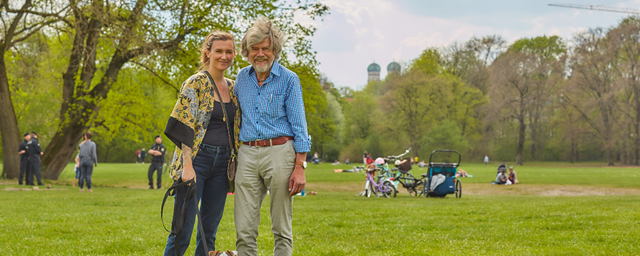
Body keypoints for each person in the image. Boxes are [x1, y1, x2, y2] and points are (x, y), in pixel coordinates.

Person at [234, 17, 310, 256]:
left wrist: (300, 166)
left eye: (265, 48)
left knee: (281, 226)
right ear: (247, 52)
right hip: (247, 153)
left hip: (280, 152)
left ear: (274, 50)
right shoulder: (241, 78)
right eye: (254, 49)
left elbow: (300, 126)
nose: (260, 53)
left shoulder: (289, 79)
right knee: (244, 229)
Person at [163, 30, 240, 256]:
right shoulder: (195, 83)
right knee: (182, 230)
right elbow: (184, 125)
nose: (224, 56)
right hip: (197, 160)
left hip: (224, 164)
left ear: (234, 54)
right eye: (219, 51)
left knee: (209, 232)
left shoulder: (235, 88)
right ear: (208, 53)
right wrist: (187, 166)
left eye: (229, 51)